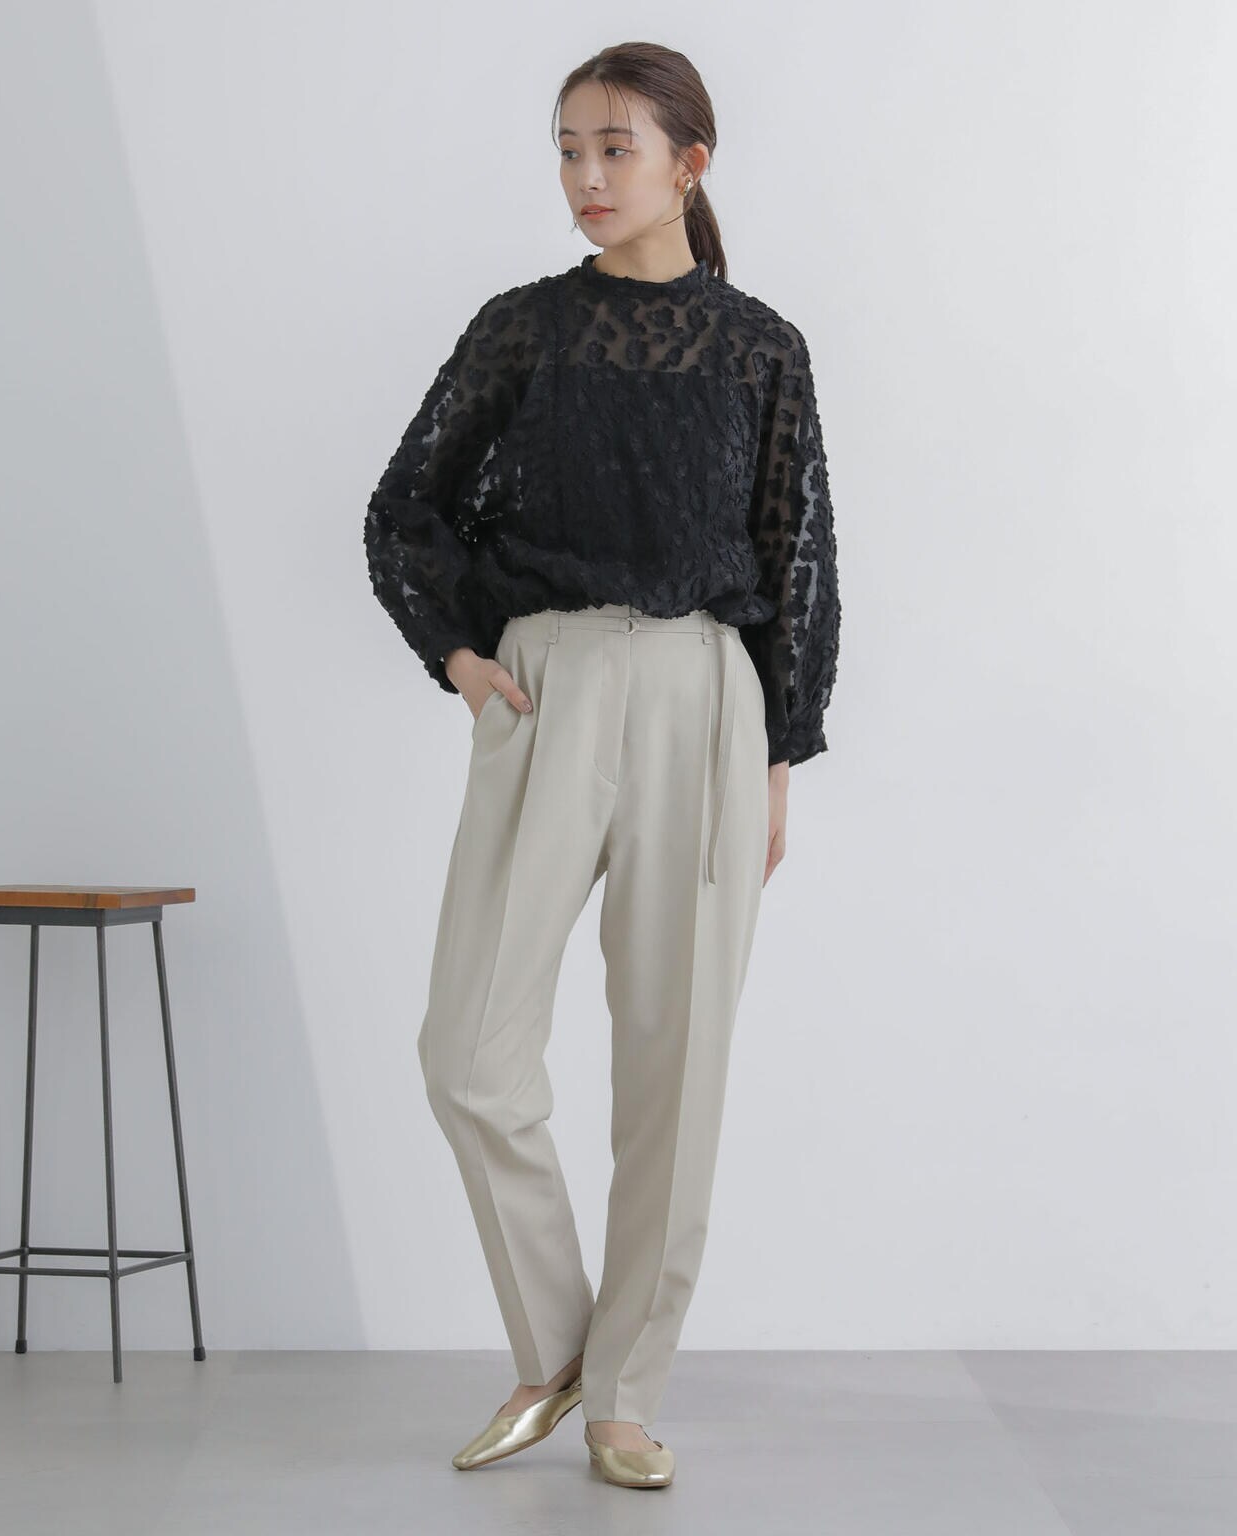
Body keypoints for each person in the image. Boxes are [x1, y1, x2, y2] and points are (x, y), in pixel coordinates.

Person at [363, 42, 841, 1491]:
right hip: (545, 686)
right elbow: (406, 506)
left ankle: (626, 1394)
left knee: (674, 1066)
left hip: (708, 697)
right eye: (568, 148)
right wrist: (462, 656)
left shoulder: (762, 349)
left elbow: (797, 559)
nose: (584, 175)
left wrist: (777, 759)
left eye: (614, 147)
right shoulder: (523, 331)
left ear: (690, 163)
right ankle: (564, 1344)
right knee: (468, 1054)